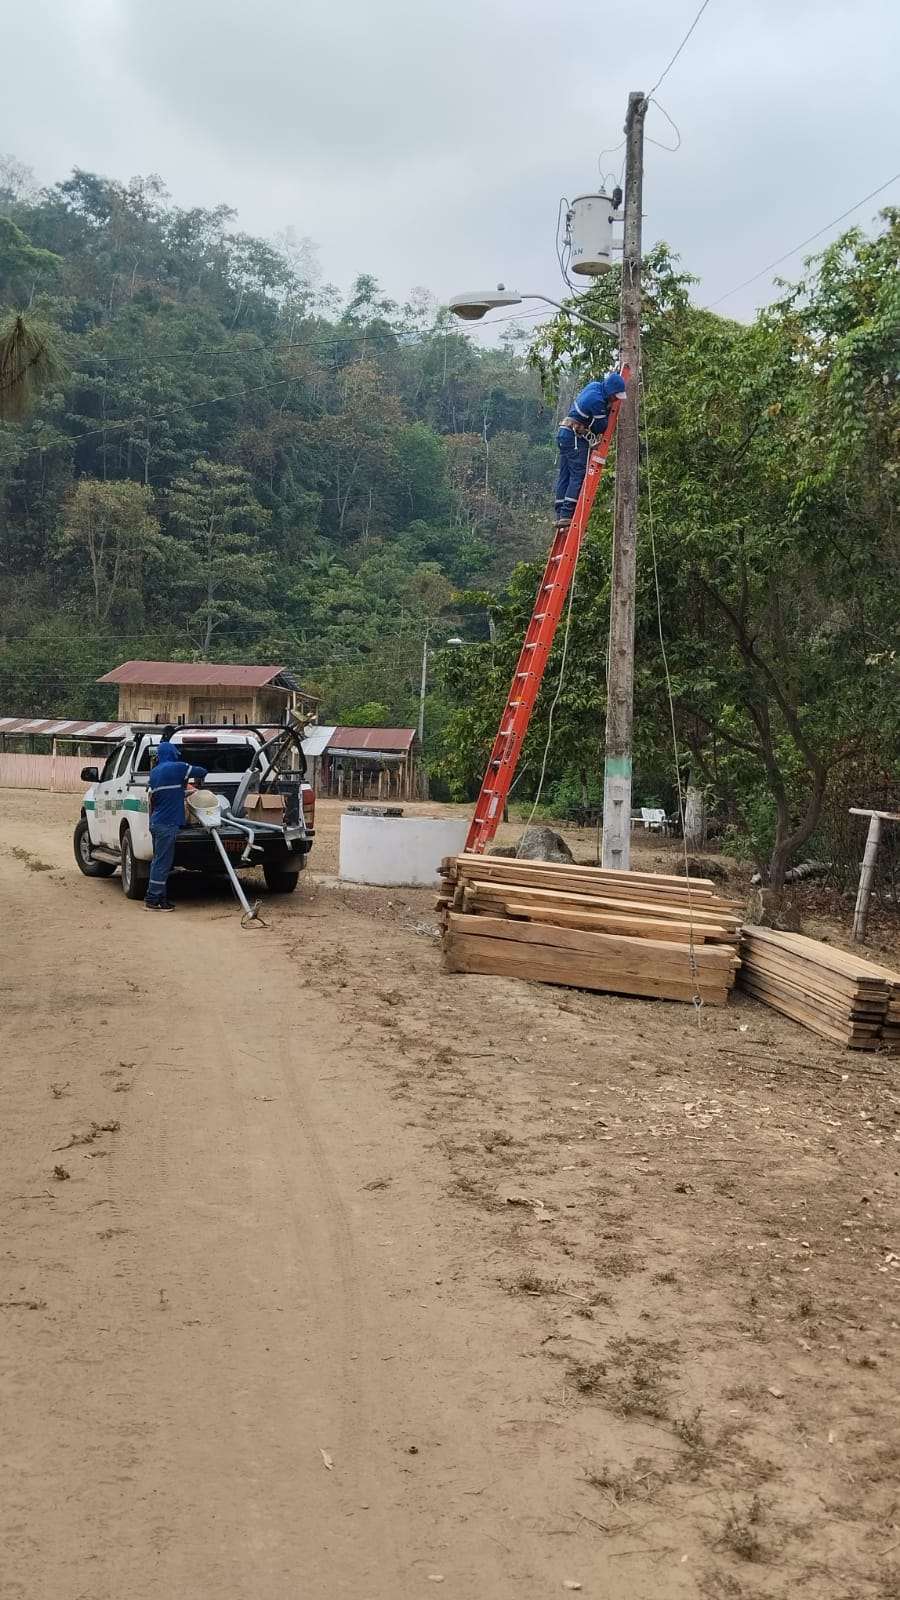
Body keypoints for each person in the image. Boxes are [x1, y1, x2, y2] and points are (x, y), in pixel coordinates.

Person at [555, 370, 627, 531]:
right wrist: (608, 411)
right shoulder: (597, 401)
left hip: (565, 433)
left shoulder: (594, 386)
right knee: (578, 474)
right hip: (575, 437)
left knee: (565, 475)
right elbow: (601, 426)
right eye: (615, 396)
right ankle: (567, 514)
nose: (616, 400)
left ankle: (560, 513)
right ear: (610, 391)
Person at [145, 739, 208, 911]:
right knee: (162, 863)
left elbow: (169, 793)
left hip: (156, 822)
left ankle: (156, 897)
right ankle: (153, 899)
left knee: (158, 862)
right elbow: (202, 771)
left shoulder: (155, 772)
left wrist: (182, 789)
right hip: (167, 824)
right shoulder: (178, 767)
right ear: (172, 754)